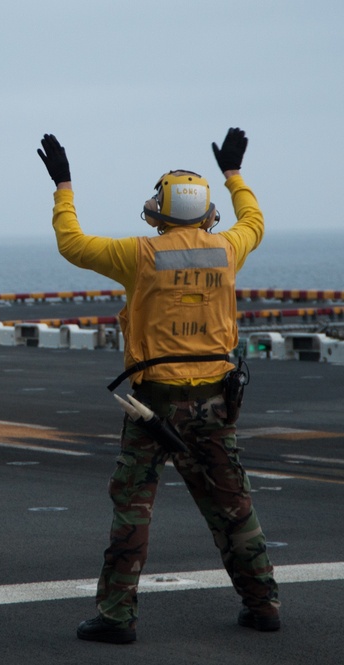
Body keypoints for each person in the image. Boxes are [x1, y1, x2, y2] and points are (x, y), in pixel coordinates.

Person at [36, 129, 281, 644]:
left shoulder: (139, 255)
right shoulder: (227, 249)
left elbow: (72, 243)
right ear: (206, 212)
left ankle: (118, 616)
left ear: (160, 210)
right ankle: (263, 605)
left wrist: (63, 184)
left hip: (153, 408)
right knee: (232, 504)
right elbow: (254, 221)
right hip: (216, 403)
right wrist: (234, 174)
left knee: (133, 507)